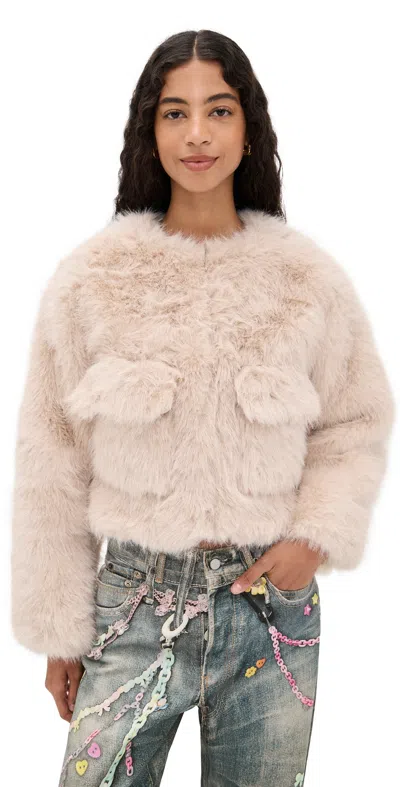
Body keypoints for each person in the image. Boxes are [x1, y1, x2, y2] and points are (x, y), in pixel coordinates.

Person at [10, 28, 395, 787]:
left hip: (269, 609)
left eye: (218, 111)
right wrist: (60, 628)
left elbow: (355, 423)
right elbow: (50, 460)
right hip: (132, 603)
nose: (197, 134)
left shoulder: (306, 280)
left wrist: (312, 538)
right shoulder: (93, 280)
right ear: (148, 131)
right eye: (174, 113)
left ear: (249, 127)